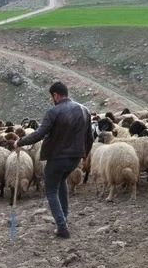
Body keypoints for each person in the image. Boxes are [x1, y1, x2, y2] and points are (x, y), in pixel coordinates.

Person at [15, 81, 93, 239]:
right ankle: (63, 218)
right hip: (75, 158)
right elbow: (89, 137)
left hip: (57, 157)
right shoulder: (84, 110)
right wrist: (85, 155)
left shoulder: (54, 111)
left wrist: (20, 142)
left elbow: (39, 133)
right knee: (62, 182)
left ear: (56, 96)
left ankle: (62, 226)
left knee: (51, 190)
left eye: (52, 97)